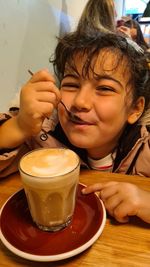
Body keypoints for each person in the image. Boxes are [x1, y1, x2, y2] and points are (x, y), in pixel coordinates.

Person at [0, 30, 150, 224]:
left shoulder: (145, 148)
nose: (80, 101)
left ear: (135, 109)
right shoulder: (41, 133)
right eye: (71, 84)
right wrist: (20, 126)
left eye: (104, 88)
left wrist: (145, 202)